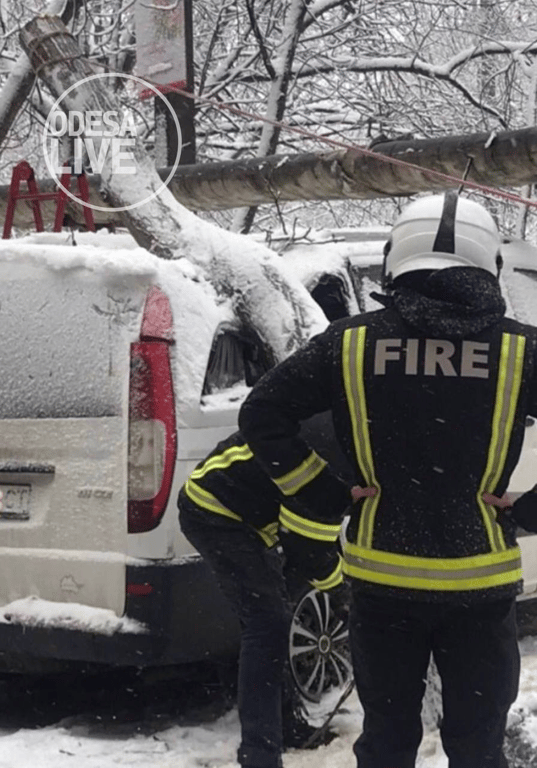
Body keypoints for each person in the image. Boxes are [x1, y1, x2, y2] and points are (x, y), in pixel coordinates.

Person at [238, 191, 537, 768]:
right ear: (490, 265)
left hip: (382, 584)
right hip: (480, 586)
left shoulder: (348, 344)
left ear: (395, 257)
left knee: (387, 745)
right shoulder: (522, 351)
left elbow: (262, 415)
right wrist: (528, 514)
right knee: (478, 749)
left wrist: (323, 495)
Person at [177, 413, 355, 768]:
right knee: (267, 622)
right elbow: (308, 548)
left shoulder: (351, 441)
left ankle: (286, 726)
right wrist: (346, 597)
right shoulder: (333, 453)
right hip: (215, 509)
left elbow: (315, 535)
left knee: (278, 611)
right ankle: (260, 752)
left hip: (260, 516)